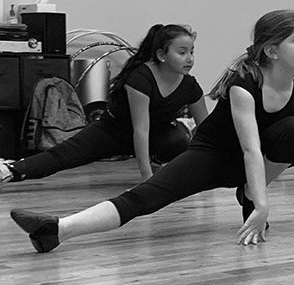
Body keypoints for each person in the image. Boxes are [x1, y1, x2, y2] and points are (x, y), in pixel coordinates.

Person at [9, 10, 294, 253]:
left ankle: (246, 192)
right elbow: (249, 149)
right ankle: (57, 229)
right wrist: (263, 205)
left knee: (293, 131)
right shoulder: (244, 86)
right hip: (211, 156)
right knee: (146, 198)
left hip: (253, 169)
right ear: (272, 50)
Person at [0, 24, 207, 185]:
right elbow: (140, 129)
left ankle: (159, 162)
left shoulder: (190, 86)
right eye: (182, 52)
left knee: (179, 140)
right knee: (63, 155)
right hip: (111, 132)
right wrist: (146, 177)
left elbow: (207, 129)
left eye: (192, 52)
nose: (189, 59)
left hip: (157, 136)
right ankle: (10, 170)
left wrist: (205, 170)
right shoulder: (141, 78)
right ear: (162, 55)